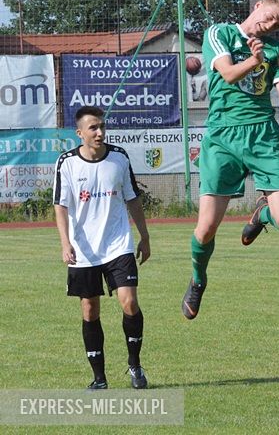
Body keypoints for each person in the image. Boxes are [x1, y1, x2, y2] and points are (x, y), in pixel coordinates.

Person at [182, 0, 279, 320]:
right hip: (224, 137)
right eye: (269, 15)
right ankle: (198, 279)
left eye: (277, 23)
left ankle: (260, 215)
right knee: (205, 229)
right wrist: (252, 59)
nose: (269, 24)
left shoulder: (277, 51)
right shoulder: (219, 33)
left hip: (263, 134)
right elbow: (229, 74)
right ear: (258, 5)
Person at [53, 106, 151, 389]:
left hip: (118, 244)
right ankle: (99, 378)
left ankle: (135, 366)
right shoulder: (67, 163)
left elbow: (132, 198)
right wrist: (65, 242)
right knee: (89, 310)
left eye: (102, 127)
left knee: (129, 302)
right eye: (93, 128)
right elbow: (60, 206)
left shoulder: (119, 158)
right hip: (83, 250)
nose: (100, 132)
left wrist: (144, 236)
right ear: (79, 133)